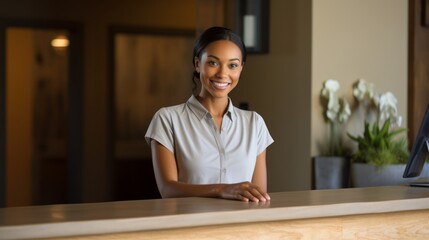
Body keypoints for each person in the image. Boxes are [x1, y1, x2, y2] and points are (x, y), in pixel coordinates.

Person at [145, 26, 274, 202]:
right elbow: (168, 189)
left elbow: (258, 195)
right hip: (190, 227)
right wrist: (223, 189)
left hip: (242, 227)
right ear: (198, 64)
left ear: (241, 69)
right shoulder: (167, 119)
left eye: (233, 65)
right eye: (213, 62)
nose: (223, 74)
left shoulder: (254, 123)